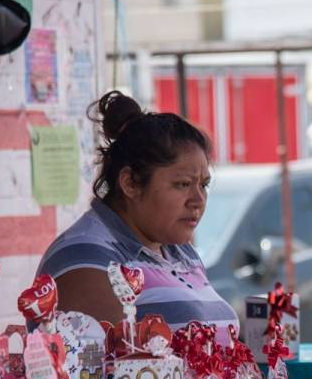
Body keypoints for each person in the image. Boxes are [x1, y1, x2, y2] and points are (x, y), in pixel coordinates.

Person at [36, 91, 238, 338]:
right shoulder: (85, 259)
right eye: (183, 184)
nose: (198, 200)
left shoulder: (180, 251)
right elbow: (101, 372)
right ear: (130, 183)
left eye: (203, 185)